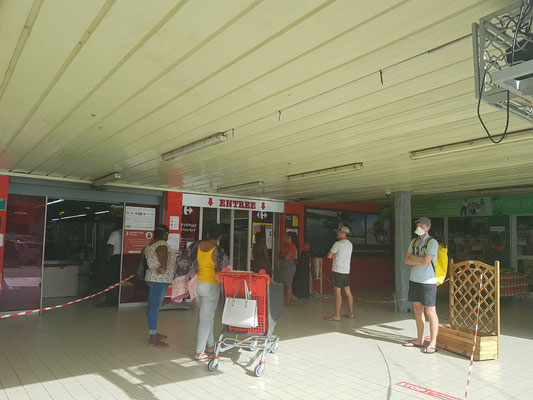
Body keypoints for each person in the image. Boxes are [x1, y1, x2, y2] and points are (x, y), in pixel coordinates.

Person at [175, 223, 230, 361]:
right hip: (211, 287)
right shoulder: (218, 250)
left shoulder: (195, 246)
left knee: (208, 316)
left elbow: (182, 260)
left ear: (207, 234)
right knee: (205, 318)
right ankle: (199, 351)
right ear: (220, 236)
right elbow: (226, 268)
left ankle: (210, 346)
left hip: (196, 285)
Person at [403, 217, 439, 354]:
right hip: (414, 280)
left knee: (430, 311)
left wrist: (415, 259)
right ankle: (420, 339)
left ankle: (433, 343)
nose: (418, 226)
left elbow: (426, 262)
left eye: (421, 225)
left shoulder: (432, 242)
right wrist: (420, 260)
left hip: (428, 282)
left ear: (428, 227)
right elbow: (407, 260)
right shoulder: (414, 242)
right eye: (418, 224)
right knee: (417, 310)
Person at [144, 225, 176, 348]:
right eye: (167, 234)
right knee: (154, 307)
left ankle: (154, 333)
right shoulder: (162, 244)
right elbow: (163, 266)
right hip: (159, 280)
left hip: (152, 278)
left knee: (152, 306)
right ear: (164, 234)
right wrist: (163, 268)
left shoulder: (151, 244)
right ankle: (152, 338)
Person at [324, 226, 354, 321]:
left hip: (337, 271)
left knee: (337, 292)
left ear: (344, 233)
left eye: (339, 232)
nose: (337, 233)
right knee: (348, 292)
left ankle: (337, 315)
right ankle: (351, 313)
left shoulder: (338, 243)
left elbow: (329, 255)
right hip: (346, 271)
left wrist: (334, 255)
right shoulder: (350, 244)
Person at [98, 223, 122, 307]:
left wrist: (108, 260)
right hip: (122, 258)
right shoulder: (124, 233)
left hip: (115, 258)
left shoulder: (115, 233)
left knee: (110, 280)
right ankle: (116, 299)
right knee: (118, 280)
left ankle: (109, 300)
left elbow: (111, 247)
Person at [279, 231, 298, 306]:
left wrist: (282, 256)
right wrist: (282, 256)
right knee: (283, 282)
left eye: (286, 237)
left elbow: (287, 257)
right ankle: (293, 297)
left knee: (288, 284)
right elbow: (280, 255)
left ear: (290, 238)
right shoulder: (285, 246)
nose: (284, 239)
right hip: (283, 266)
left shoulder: (292, 246)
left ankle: (288, 302)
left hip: (289, 266)